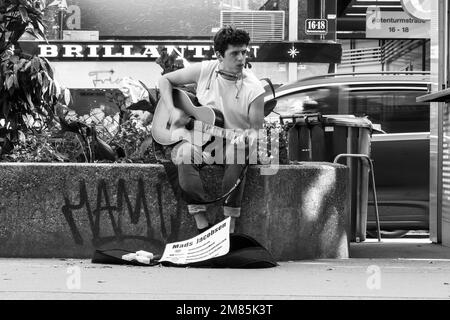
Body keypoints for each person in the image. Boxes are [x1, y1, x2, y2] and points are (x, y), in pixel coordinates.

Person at [157, 25, 265, 234]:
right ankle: (202, 225)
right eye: (235, 53)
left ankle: (228, 228)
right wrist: (172, 110)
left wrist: (248, 138)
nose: (241, 58)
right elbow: (165, 80)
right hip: (200, 141)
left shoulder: (254, 89)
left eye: (244, 52)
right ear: (219, 55)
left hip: (230, 145)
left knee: (238, 153)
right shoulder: (206, 70)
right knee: (185, 154)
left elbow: (255, 131)